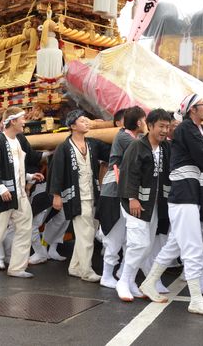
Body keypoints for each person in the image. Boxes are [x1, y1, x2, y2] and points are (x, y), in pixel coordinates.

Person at [139, 94, 203, 316]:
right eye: (202, 105)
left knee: (175, 245)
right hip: (183, 193)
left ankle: (148, 283)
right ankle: (195, 299)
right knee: (193, 247)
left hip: (191, 193)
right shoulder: (186, 128)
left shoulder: (200, 129)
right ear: (192, 110)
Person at [0, 107, 44, 278]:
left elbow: (16, 169)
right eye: (22, 119)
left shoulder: (18, 140)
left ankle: (17, 267)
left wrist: (29, 176)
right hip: (5, 195)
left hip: (20, 194)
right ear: (13, 121)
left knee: (25, 228)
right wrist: (1, 189)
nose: (24, 122)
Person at [116, 108, 171, 301]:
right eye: (161, 126)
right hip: (135, 203)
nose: (164, 130)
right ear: (150, 126)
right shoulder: (137, 146)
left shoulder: (165, 148)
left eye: (167, 127)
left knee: (146, 246)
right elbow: (129, 173)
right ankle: (123, 282)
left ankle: (130, 281)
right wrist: (132, 198)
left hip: (153, 204)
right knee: (139, 244)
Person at [49, 110, 111, 282]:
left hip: (93, 194)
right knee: (86, 233)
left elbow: (111, 152)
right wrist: (56, 195)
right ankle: (86, 271)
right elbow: (57, 173)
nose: (87, 123)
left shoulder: (92, 144)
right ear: (73, 126)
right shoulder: (64, 147)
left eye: (87, 120)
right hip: (76, 196)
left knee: (87, 234)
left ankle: (75, 267)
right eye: (83, 121)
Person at [97, 105, 146, 288]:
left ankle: (122, 272)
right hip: (113, 192)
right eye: (144, 120)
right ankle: (106, 275)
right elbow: (145, 150)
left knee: (127, 237)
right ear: (139, 122)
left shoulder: (133, 137)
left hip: (123, 191)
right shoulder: (124, 137)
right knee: (115, 235)